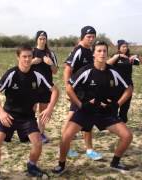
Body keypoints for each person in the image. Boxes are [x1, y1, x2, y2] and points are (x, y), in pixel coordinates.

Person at [53, 41, 133, 175]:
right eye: (99, 51)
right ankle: (61, 164)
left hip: (105, 112)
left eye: (104, 51)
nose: (102, 53)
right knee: (66, 136)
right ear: (93, 54)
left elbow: (129, 88)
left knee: (127, 136)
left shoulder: (113, 71)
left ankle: (115, 162)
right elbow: (69, 88)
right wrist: (80, 105)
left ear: (108, 54)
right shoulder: (86, 70)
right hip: (86, 111)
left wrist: (117, 104)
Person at [0, 45, 59, 179]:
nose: (27, 59)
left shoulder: (37, 75)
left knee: (38, 143)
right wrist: (1, 112)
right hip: (9, 115)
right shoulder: (11, 73)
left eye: (29, 56)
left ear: (32, 57)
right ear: (18, 57)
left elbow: (55, 90)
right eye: (24, 57)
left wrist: (50, 108)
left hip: (27, 117)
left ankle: (31, 165)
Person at [62, 25, 102, 160]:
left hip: (89, 93)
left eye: (93, 37)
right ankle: (65, 147)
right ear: (82, 37)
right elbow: (67, 69)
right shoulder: (78, 50)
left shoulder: (90, 50)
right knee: (71, 120)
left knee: (88, 120)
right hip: (77, 93)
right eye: (88, 37)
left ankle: (89, 150)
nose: (91, 39)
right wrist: (69, 90)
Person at [107, 39, 142, 123]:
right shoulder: (115, 56)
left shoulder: (129, 57)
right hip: (116, 85)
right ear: (119, 48)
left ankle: (122, 123)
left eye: (126, 46)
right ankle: (113, 123)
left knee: (125, 106)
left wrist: (137, 56)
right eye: (123, 46)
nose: (125, 48)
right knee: (115, 104)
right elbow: (107, 64)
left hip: (128, 85)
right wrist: (117, 56)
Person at [31, 30, 58, 143]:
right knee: (31, 110)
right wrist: (32, 62)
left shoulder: (50, 54)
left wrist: (50, 63)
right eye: (40, 38)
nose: (42, 40)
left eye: (44, 39)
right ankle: (31, 132)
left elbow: (55, 71)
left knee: (43, 110)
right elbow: (22, 66)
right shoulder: (32, 52)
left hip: (46, 86)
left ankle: (41, 133)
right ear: (37, 39)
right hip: (32, 86)